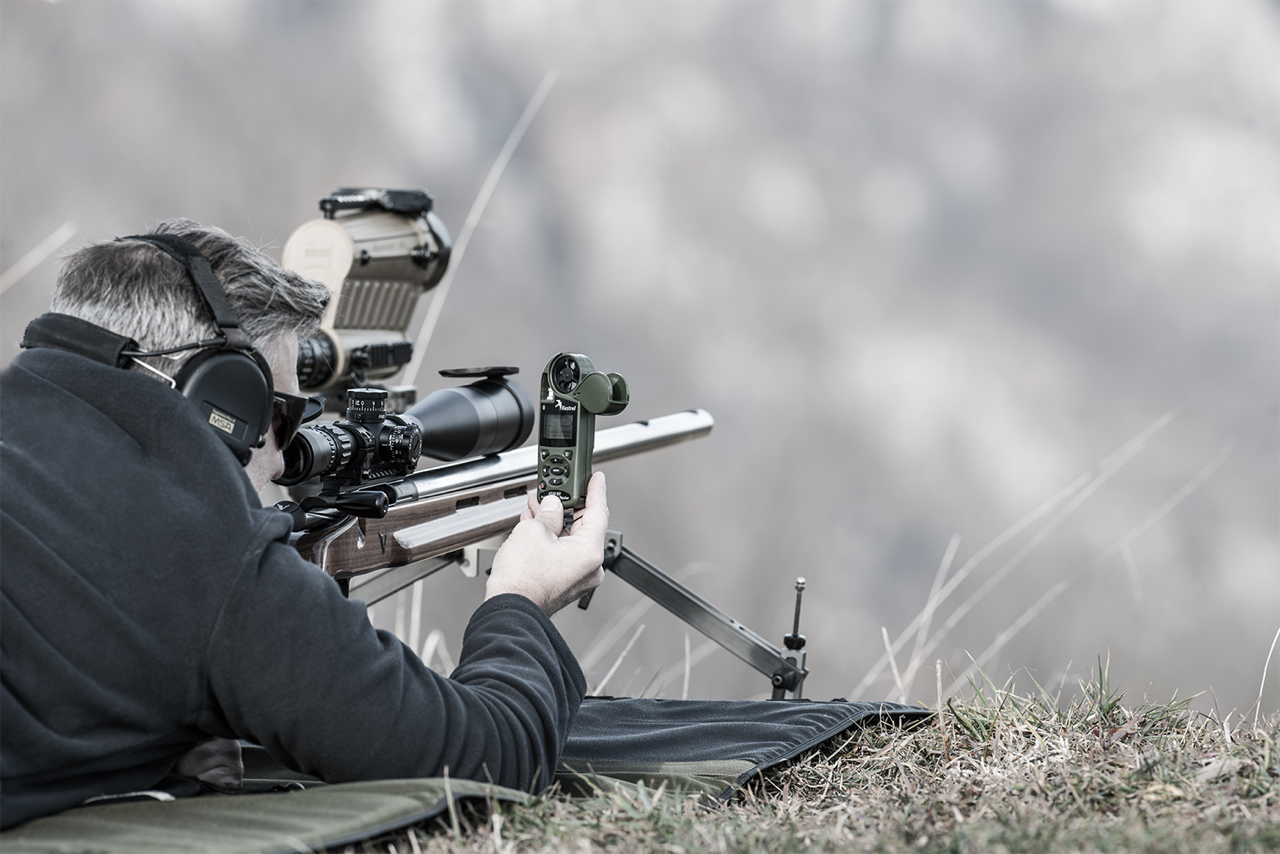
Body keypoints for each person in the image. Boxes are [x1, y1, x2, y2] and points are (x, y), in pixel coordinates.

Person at [0, 220, 607, 829]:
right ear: (225, 401)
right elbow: (484, 761)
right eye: (285, 416)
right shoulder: (205, 548)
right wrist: (521, 601)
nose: (288, 463)